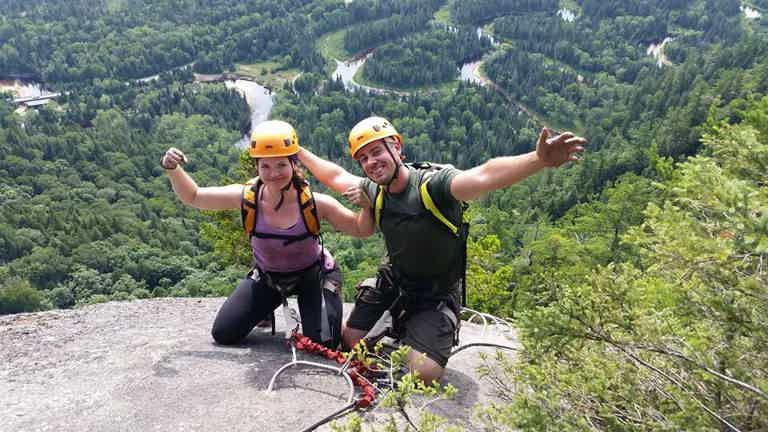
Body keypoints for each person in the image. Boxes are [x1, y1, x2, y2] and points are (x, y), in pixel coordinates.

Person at [297, 116, 587, 383]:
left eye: (377, 152)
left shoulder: (433, 186)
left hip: (435, 293)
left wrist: (538, 159)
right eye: (363, 158)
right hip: (394, 282)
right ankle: (400, 320)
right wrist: (297, 151)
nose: (371, 162)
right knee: (350, 341)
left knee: (422, 375)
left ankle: (412, 325)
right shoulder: (375, 190)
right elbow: (335, 176)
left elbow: (484, 175)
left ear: (397, 147)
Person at [160, 120, 374, 349]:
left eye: (281, 165)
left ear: (294, 164)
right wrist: (173, 170)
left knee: (325, 344)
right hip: (268, 278)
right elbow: (194, 196)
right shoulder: (246, 198)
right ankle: (266, 308)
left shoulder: (315, 203)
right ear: (257, 168)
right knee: (224, 333)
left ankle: (329, 316)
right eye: (265, 167)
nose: (273, 174)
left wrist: (367, 206)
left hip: (314, 275)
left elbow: (360, 229)